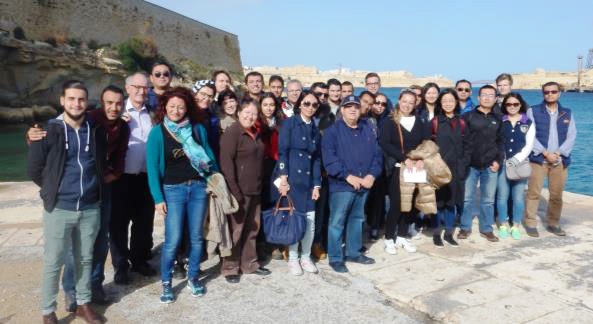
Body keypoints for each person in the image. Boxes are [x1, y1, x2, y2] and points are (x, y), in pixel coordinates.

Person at [28, 80, 106, 324]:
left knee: (84, 258)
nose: (76, 103)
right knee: (54, 261)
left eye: (81, 99)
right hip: (60, 208)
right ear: (62, 100)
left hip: (90, 206)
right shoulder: (48, 130)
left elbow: (99, 160)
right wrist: (53, 189)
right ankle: (48, 310)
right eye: (71, 98)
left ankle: (83, 304)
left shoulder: (94, 128)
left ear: (87, 102)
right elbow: (34, 168)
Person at [146, 86, 218, 303]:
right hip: (172, 190)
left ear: (187, 108)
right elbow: (151, 168)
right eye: (172, 107)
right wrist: (158, 199)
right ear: (164, 108)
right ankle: (167, 283)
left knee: (196, 238)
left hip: (198, 188)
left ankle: (193, 277)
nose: (176, 111)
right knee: (173, 239)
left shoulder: (197, 129)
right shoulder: (158, 132)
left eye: (181, 107)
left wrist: (213, 180)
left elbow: (209, 155)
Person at [322, 95, 382, 273]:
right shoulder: (332, 132)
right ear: (342, 110)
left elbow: (377, 156)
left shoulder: (368, 129)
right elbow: (329, 160)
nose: (353, 109)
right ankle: (335, 257)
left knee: (357, 219)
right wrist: (347, 176)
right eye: (348, 106)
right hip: (342, 186)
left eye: (356, 106)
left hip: (364, 184)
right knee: (337, 222)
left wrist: (371, 175)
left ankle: (353, 252)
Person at [110, 72, 157, 285]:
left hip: (145, 177)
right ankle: (120, 266)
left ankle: (139, 260)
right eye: (137, 87)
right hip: (121, 178)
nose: (141, 91)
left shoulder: (153, 114)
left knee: (143, 223)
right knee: (118, 224)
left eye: (145, 87)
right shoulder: (116, 112)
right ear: (127, 88)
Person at [219, 99, 271, 283]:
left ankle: (249, 263)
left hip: (255, 189)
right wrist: (235, 192)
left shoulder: (256, 132)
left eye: (254, 113)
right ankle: (230, 267)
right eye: (247, 112)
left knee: (252, 229)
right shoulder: (232, 133)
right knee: (236, 230)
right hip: (238, 191)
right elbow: (226, 165)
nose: (250, 116)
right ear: (239, 113)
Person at [274, 91, 322, 275]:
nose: (310, 107)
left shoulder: (315, 130)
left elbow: (317, 159)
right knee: (295, 220)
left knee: (310, 221)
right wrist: (284, 177)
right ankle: (293, 258)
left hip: (309, 182)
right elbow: (282, 152)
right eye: (307, 103)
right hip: (293, 179)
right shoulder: (290, 124)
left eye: (314, 105)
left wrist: (317, 184)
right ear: (300, 104)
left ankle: (306, 256)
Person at [379, 90, 431, 255]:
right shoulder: (389, 121)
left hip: (416, 170)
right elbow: (385, 143)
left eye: (411, 102)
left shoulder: (420, 121)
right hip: (398, 169)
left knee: (410, 205)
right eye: (404, 101)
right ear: (399, 101)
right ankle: (388, 239)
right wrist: (403, 158)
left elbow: (426, 142)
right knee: (396, 205)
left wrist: (422, 159)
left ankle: (402, 236)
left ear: (415, 103)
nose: (407, 105)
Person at [525, 82, 577, 237]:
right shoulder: (533, 111)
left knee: (556, 195)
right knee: (534, 193)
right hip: (539, 159)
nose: (550, 94)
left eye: (553, 92)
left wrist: (559, 154)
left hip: (560, 161)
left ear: (559, 93)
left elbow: (572, 135)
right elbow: (529, 134)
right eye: (546, 92)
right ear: (543, 94)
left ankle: (553, 223)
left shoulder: (567, 113)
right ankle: (530, 223)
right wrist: (545, 152)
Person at [458, 85, 504, 242]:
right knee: (467, 198)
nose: (487, 98)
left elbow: (500, 143)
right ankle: (465, 227)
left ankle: (486, 228)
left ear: (496, 98)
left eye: (491, 95)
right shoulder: (468, 117)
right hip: (471, 165)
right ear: (478, 98)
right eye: (484, 95)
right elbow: (462, 141)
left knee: (488, 199)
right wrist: (464, 161)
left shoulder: (498, 118)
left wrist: (498, 161)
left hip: (490, 165)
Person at [496, 93, 535, 240]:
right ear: (505, 106)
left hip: (519, 166)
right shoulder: (501, 121)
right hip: (503, 165)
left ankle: (516, 225)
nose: (512, 107)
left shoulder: (528, 122)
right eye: (508, 104)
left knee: (518, 198)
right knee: (502, 197)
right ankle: (503, 224)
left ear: (520, 105)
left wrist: (515, 160)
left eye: (515, 104)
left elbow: (529, 145)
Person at [431, 89, 467, 247]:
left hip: (456, 168)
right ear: (440, 103)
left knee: (451, 203)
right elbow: (427, 145)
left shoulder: (462, 122)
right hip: (438, 169)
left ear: (456, 102)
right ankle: (437, 232)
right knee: (438, 202)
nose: (448, 103)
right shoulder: (435, 122)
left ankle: (449, 232)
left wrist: (463, 164)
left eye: (451, 100)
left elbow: (468, 146)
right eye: (444, 100)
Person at [257, 92, 284, 261]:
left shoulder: (282, 123)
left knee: (276, 206)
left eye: (272, 105)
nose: (269, 108)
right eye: (265, 104)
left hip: (276, 167)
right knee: (260, 206)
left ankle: (274, 242)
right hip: (260, 167)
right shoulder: (256, 122)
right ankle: (260, 243)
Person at [365, 93, 390, 240]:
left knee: (379, 197)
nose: (379, 106)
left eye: (383, 104)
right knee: (368, 197)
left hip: (383, 164)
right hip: (367, 163)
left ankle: (375, 226)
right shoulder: (365, 120)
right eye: (377, 102)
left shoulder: (389, 120)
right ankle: (370, 222)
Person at [192, 80, 220, 159]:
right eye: (203, 94)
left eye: (210, 96)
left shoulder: (212, 118)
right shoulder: (185, 115)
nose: (207, 98)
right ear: (195, 94)